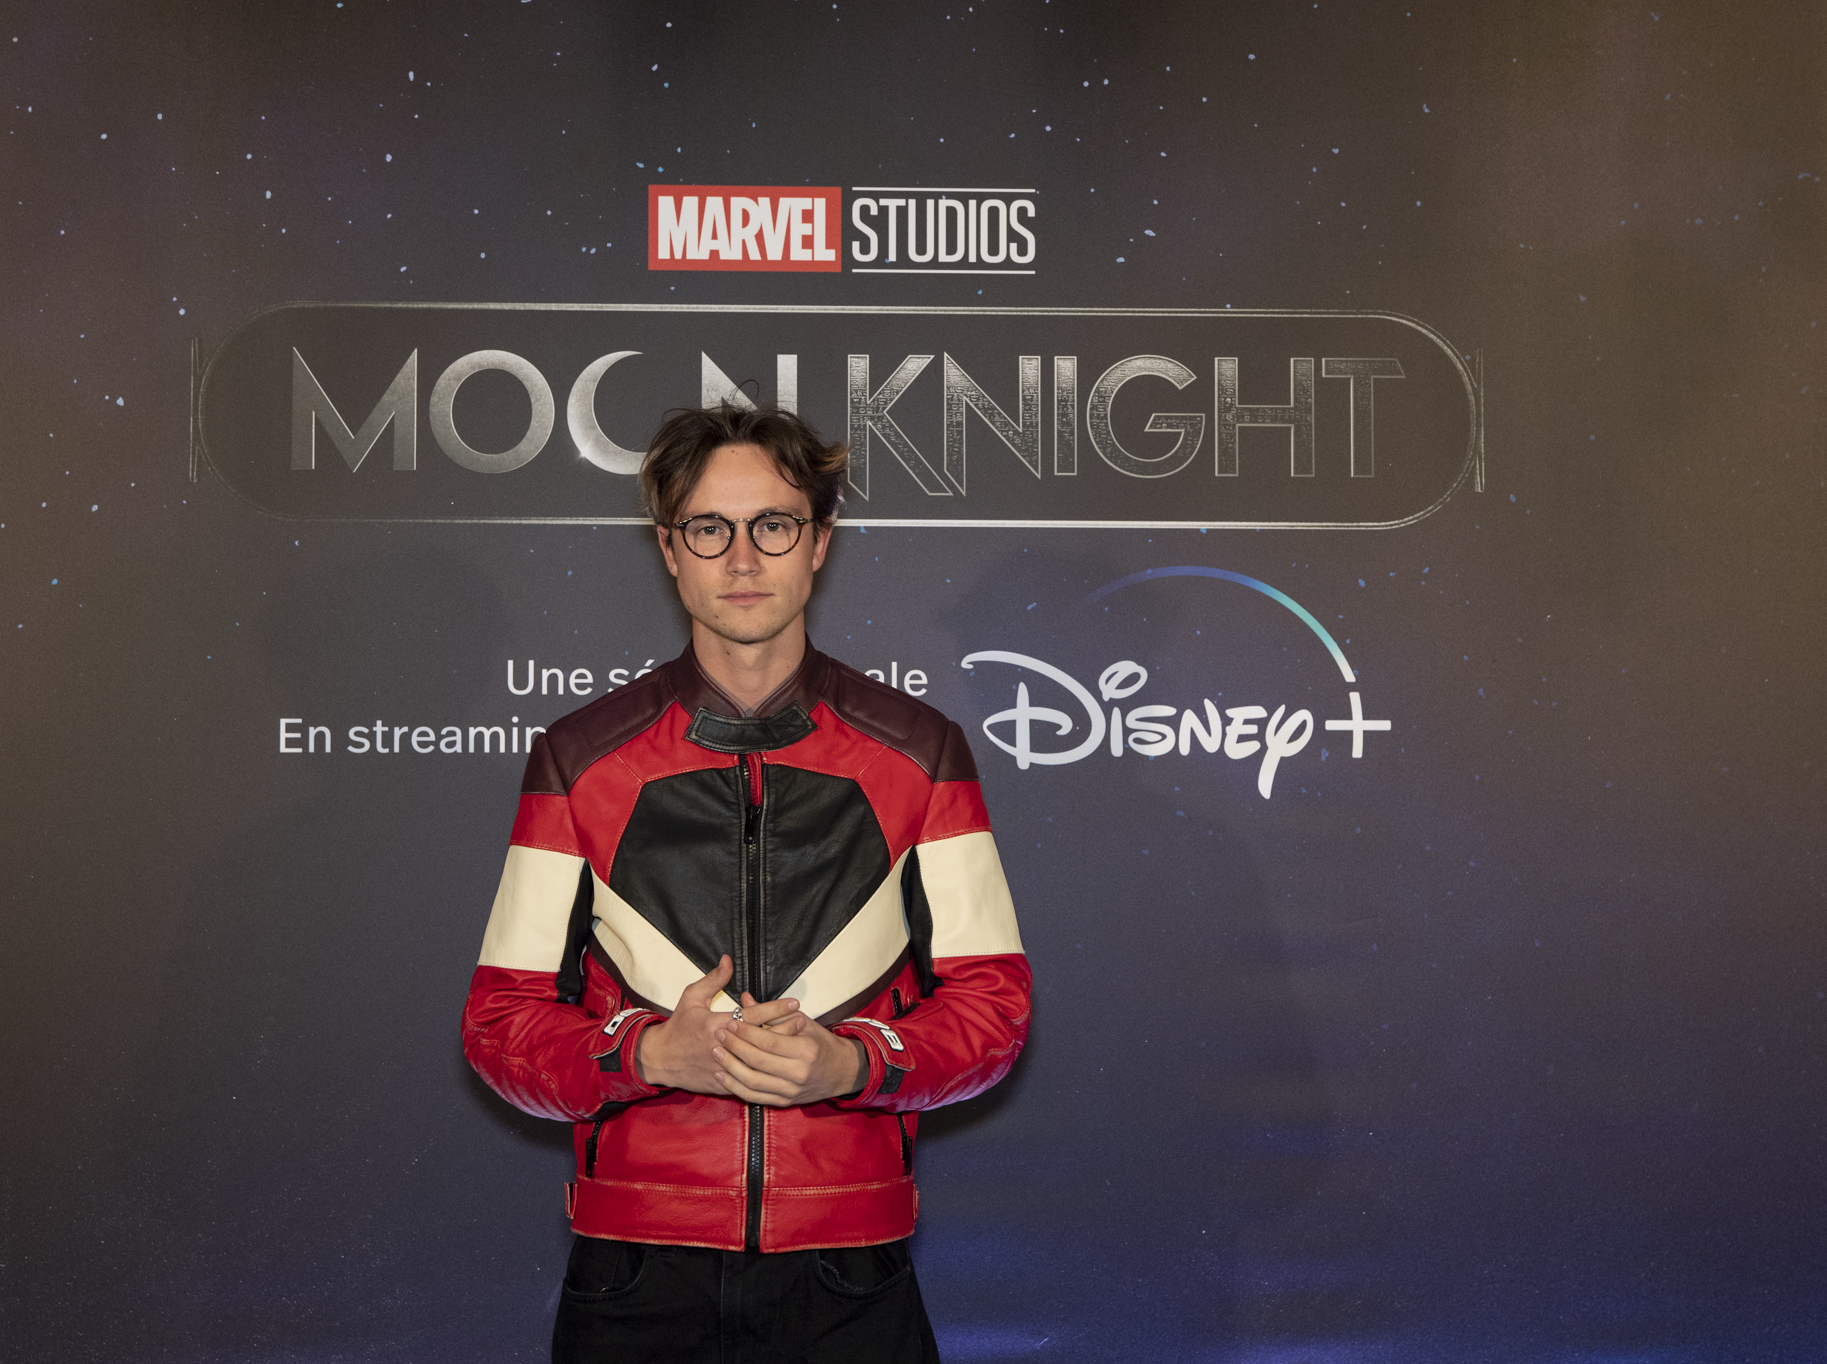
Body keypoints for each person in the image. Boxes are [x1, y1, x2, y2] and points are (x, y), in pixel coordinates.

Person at [461, 402, 1031, 1363]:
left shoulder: (923, 752)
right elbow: (499, 1023)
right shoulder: (576, 758)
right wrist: (646, 1055)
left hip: (849, 1271)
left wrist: (852, 1066)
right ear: (667, 548)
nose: (741, 559)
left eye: (772, 525)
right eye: (707, 529)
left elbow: (993, 1007)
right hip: (634, 1272)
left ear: (819, 542)